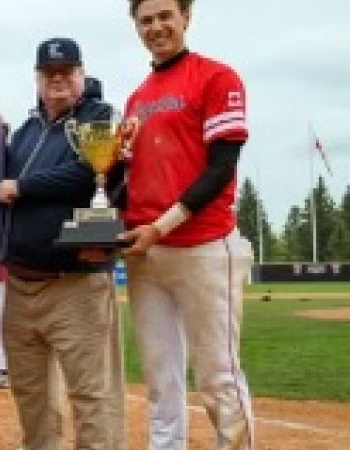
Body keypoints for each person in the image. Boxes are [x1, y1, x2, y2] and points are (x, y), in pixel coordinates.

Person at [120, 1, 255, 449]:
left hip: (204, 245)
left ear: (185, 17)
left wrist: (162, 225)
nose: (156, 26)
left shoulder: (216, 77)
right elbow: (132, 179)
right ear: (136, 26)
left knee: (219, 375)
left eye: (165, 16)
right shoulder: (137, 98)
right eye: (146, 19)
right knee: (161, 380)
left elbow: (220, 169)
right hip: (147, 253)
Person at [0, 37, 125, 450]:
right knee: (32, 399)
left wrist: (22, 186)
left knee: (92, 396)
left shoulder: (99, 117)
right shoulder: (28, 129)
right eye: (50, 74)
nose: (58, 80)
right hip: (20, 285)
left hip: (76, 285)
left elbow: (88, 175)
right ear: (37, 79)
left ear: (81, 75)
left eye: (67, 72)